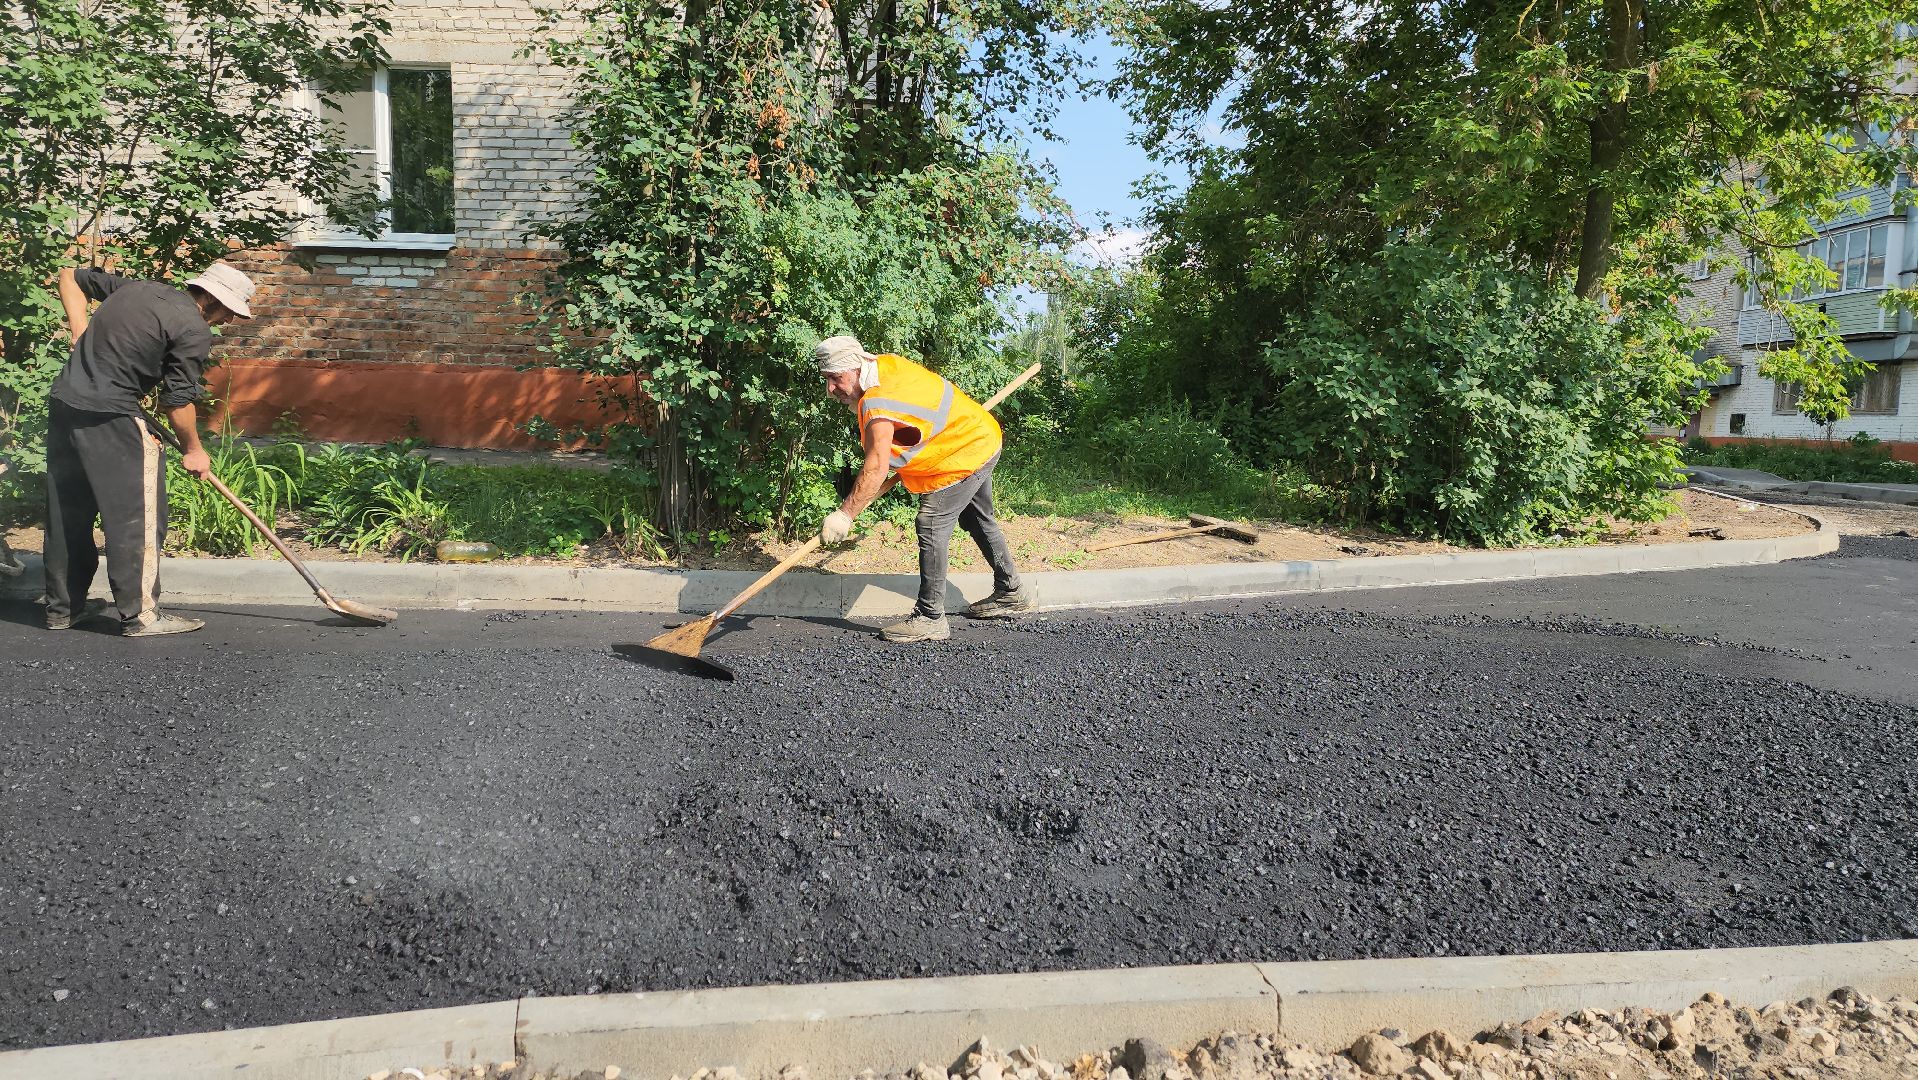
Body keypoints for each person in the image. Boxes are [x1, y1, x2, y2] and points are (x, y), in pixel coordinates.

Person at [43, 261, 255, 636]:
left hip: (65, 406)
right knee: (136, 517)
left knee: (67, 512)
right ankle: (141, 615)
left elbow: (69, 276)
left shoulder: (138, 289)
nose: (229, 320)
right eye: (228, 310)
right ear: (209, 298)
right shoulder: (193, 329)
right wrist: (194, 450)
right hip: (113, 418)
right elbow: (178, 402)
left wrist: (79, 330)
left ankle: (64, 609)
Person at [816, 335, 1032, 642]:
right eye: (826, 379)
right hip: (977, 435)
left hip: (962, 452)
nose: (831, 389)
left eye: (836, 378)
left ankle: (930, 617)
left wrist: (845, 514)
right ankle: (1011, 591)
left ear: (857, 366)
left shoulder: (877, 402)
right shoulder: (884, 365)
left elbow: (876, 467)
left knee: (931, 522)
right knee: (977, 518)